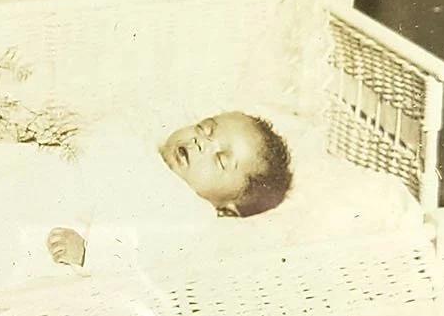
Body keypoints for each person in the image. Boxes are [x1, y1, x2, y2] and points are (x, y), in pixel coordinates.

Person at [44, 110, 293, 270]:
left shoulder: (188, 211)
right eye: (204, 128)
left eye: (220, 160)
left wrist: (88, 254)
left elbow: (143, 252)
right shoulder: (149, 143)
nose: (202, 143)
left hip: (62, 226)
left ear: (228, 208)